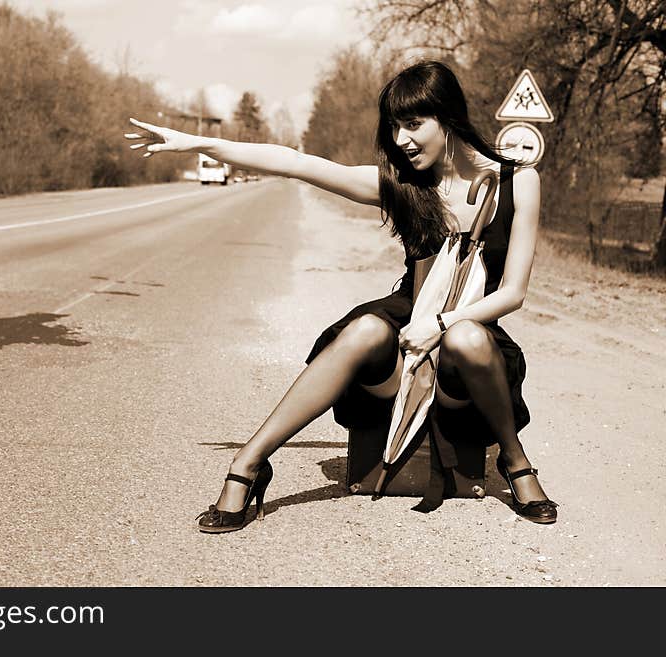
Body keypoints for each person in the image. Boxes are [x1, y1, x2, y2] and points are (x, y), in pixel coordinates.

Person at [124, 60, 558, 530]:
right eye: (394, 127)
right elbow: (297, 163)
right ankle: (249, 464)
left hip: (469, 356)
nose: (401, 140)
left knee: (467, 337)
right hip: (405, 335)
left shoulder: (519, 181)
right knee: (366, 328)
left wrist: (440, 325)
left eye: (413, 124)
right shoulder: (402, 186)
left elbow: (513, 292)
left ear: (448, 117)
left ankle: (515, 462)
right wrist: (200, 143)